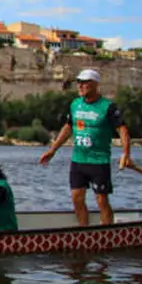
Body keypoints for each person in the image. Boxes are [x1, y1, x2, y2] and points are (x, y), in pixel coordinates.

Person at [40, 68, 132, 226]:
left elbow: (122, 130)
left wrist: (126, 154)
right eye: (78, 82)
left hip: (99, 161)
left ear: (95, 84)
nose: (80, 86)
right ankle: (83, 230)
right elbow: (68, 127)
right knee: (76, 198)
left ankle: (107, 230)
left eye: (84, 82)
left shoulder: (108, 107)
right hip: (78, 160)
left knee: (101, 200)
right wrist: (52, 150)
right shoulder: (75, 104)